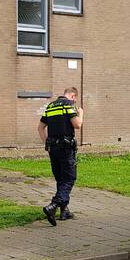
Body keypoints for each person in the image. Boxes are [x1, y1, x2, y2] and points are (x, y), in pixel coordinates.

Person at [38, 87, 83, 226]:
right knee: (69, 177)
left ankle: (64, 211)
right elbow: (77, 125)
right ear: (73, 96)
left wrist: (48, 142)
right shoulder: (68, 105)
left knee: (60, 178)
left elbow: (40, 127)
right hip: (65, 147)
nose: (75, 101)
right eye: (75, 99)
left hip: (53, 148)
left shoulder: (50, 106)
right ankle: (53, 205)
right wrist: (81, 113)